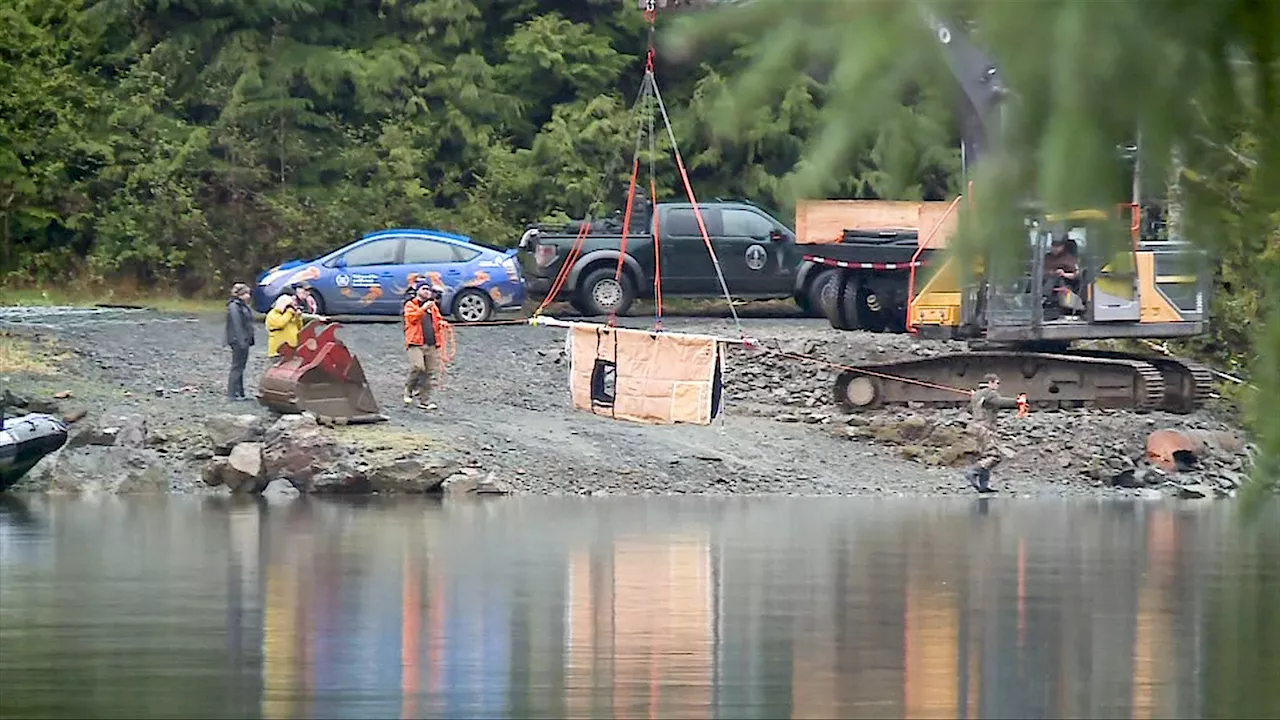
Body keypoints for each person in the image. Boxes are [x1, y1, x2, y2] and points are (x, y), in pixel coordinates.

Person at [964, 373, 1023, 493]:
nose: (998, 386)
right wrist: (1017, 402)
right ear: (990, 382)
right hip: (985, 429)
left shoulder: (977, 394)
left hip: (975, 428)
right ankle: (972, 472)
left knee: (985, 456)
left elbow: (969, 410)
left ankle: (983, 486)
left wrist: (974, 398)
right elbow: (999, 402)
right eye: (997, 383)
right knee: (994, 456)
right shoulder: (990, 393)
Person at [402, 282, 445, 410]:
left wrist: (442, 324)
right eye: (424, 289)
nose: (427, 292)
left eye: (429, 290)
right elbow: (412, 319)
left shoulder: (433, 308)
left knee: (429, 373)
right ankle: (409, 388)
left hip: (431, 343)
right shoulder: (410, 305)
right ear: (417, 291)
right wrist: (423, 308)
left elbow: (437, 320)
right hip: (415, 343)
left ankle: (424, 401)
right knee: (418, 366)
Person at [264, 294, 324, 360]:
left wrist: (297, 317)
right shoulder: (272, 314)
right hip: (277, 352)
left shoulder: (289, 315)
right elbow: (280, 323)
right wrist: (289, 313)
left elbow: (299, 327)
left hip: (291, 350)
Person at [224, 283, 255, 401]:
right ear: (240, 294)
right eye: (246, 293)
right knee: (236, 366)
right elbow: (236, 325)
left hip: (244, 340)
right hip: (238, 340)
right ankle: (231, 394)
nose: (248, 296)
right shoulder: (234, 306)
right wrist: (241, 341)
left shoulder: (242, 305)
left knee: (241, 366)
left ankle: (240, 392)